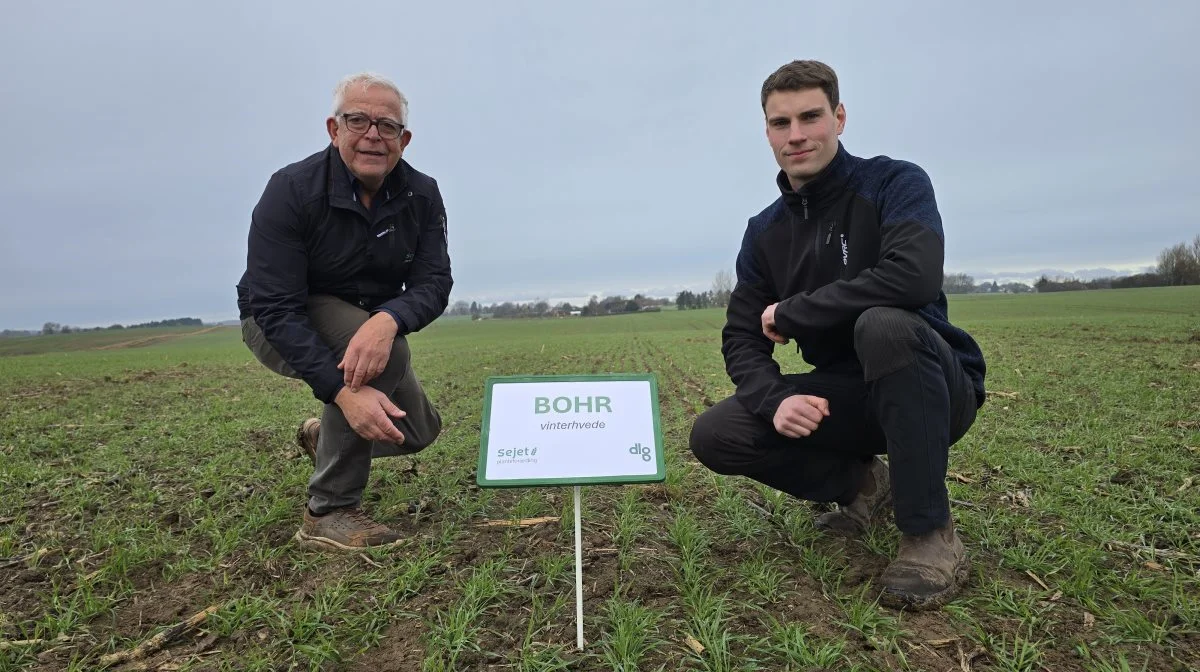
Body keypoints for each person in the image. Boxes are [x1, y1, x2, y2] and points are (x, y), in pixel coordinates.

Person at [689, 60, 986, 609]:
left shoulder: (895, 182)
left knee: (886, 325)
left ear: (839, 117)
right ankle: (867, 486)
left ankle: (930, 533)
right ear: (768, 132)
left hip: (933, 389)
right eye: (782, 123)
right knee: (716, 433)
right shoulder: (765, 233)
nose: (797, 135)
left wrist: (796, 312)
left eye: (811, 116)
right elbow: (741, 336)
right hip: (847, 399)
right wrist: (776, 398)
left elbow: (913, 275)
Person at [236, 72, 451, 551]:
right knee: (386, 356)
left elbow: (434, 282)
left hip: (364, 321)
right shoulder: (291, 189)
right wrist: (342, 393)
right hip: (276, 322)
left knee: (414, 431)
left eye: (387, 126)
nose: (373, 134)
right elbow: (274, 306)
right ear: (334, 130)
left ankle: (324, 438)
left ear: (404, 139)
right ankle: (328, 511)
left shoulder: (421, 194)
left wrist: (387, 318)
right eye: (358, 121)